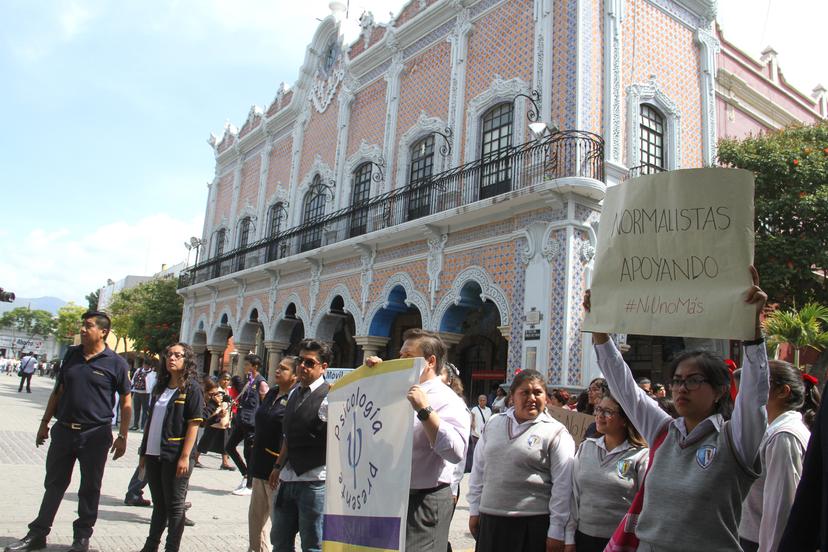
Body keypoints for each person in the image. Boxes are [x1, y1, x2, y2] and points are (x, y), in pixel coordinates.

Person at [583, 266, 769, 552]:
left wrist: (752, 328)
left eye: (694, 381)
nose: (682, 388)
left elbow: (754, 396)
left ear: (720, 390)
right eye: (677, 381)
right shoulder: (664, 432)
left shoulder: (736, 440)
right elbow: (624, 388)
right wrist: (599, 330)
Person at [5, 311, 131, 552]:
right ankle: (38, 534)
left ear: (103, 332)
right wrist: (44, 423)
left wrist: (123, 435)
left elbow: (126, 401)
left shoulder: (116, 363)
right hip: (63, 431)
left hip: (95, 435)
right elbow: (58, 390)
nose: (83, 330)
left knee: (90, 487)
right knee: (54, 483)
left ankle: (81, 538)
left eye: (89, 326)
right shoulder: (72, 354)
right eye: (83, 325)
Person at [365, 329, 470, 551]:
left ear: (430, 361)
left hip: (423, 501)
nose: (400, 360)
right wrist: (369, 379)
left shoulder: (446, 400)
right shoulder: (393, 392)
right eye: (400, 355)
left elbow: (455, 452)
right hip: (388, 497)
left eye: (408, 357)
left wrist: (425, 411)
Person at [466, 369, 575, 552]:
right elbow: (479, 469)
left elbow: (563, 486)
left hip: (532, 524)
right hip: (491, 520)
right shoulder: (494, 423)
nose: (532, 398)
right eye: (525, 392)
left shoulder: (556, 432)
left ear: (546, 397)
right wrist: (475, 508)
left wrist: (557, 530)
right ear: (513, 396)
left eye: (538, 392)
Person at [740, 361, 819, 552]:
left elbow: (780, 508)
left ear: (783, 391)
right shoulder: (773, 430)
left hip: (762, 543)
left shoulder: (784, 436)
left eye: (760, 382)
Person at [137, 342, 204, 552]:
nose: (171, 359)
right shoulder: (161, 386)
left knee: (175, 506)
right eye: (169, 355)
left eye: (177, 355)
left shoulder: (192, 387)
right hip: (154, 453)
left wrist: (185, 456)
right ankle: (151, 546)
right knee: (159, 504)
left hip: (176, 455)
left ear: (187, 360)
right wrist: (143, 451)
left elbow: (194, 423)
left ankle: (171, 548)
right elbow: (150, 422)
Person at [565, 393, 649, 552]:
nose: (599, 416)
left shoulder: (641, 455)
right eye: (598, 409)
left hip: (621, 541)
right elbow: (574, 495)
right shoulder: (586, 447)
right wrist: (569, 536)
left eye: (608, 412)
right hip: (584, 537)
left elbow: (646, 504)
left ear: (625, 419)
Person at [269, 340, 330, 552]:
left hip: (314, 481)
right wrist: (278, 466)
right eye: (300, 361)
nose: (303, 366)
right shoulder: (294, 393)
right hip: (288, 479)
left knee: (312, 544)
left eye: (310, 362)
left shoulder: (331, 396)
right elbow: (288, 434)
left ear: (323, 367)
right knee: (280, 540)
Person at [248, 356, 298, 552]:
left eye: (284, 369)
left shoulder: (295, 397)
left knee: (277, 525)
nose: (278, 371)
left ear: (295, 375)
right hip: (259, 465)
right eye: (278, 367)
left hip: (277, 470)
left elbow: (288, 435)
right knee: (255, 520)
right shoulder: (272, 392)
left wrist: (278, 464)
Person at [226, 354, 268, 495]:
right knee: (230, 447)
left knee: (249, 453)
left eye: (247, 364)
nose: (244, 367)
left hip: (252, 423)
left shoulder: (261, 383)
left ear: (254, 366)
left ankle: (250, 485)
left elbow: (265, 404)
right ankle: (245, 474)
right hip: (241, 420)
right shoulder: (248, 381)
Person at [195, 379, 235, 470]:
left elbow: (203, 422)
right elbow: (201, 418)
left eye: (228, 379)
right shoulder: (198, 400)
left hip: (221, 421)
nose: (212, 397)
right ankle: (195, 458)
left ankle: (224, 462)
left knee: (225, 442)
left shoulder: (226, 391)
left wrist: (218, 415)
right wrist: (214, 406)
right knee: (205, 441)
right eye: (210, 394)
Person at [131, 363, 154, 430]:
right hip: (137, 392)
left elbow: (151, 384)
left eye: (147, 365)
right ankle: (135, 425)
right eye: (144, 365)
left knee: (145, 410)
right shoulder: (138, 370)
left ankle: (143, 426)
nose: (145, 366)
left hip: (146, 394)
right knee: (136, 409)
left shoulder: (152, 373)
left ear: (150, 366)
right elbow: (133, 379)